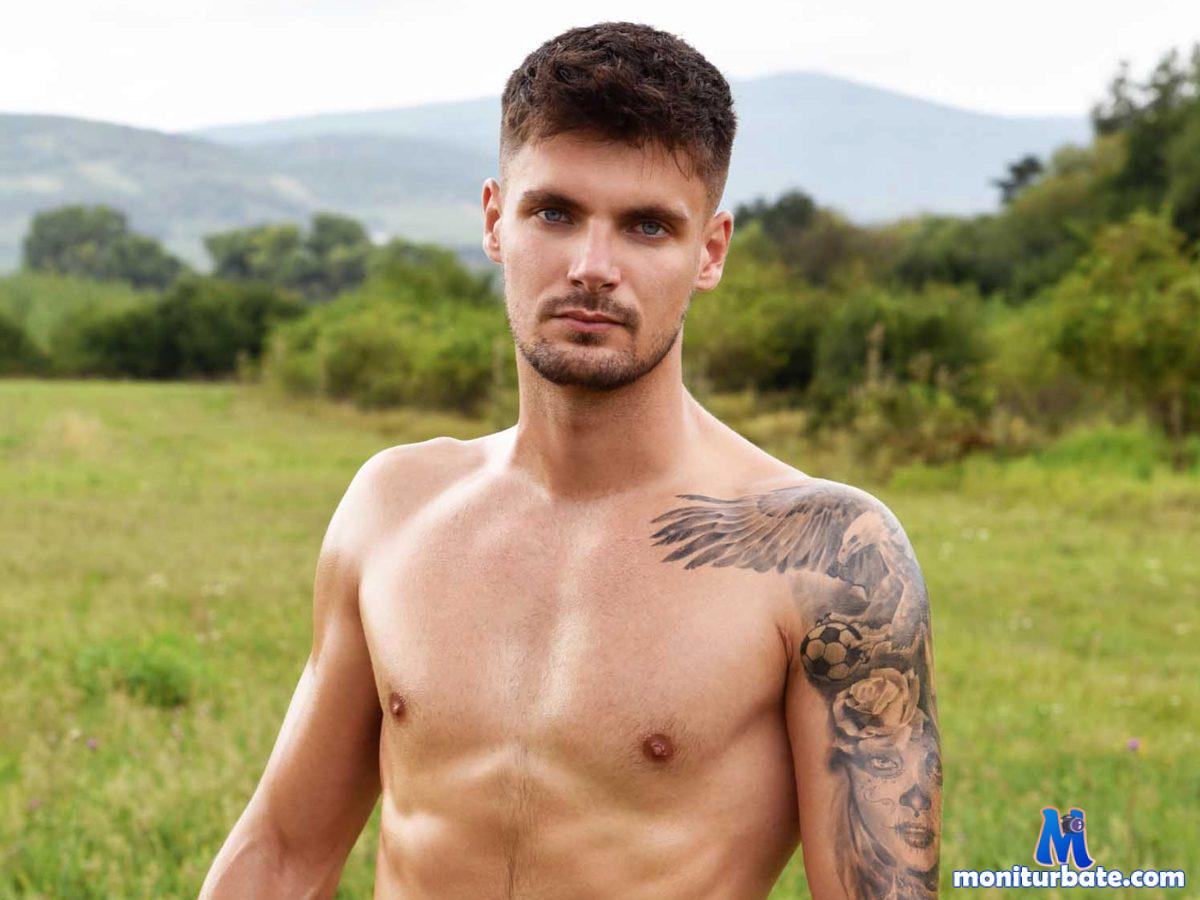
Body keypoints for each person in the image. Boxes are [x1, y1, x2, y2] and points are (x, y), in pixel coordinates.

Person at [200, 20, 941, 899]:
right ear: (494, 221)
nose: (594, 267)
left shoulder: (828, 555)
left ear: (710, 252)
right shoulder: (393, 506)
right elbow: (284, 853)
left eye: (647, 227)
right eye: (554, 213)